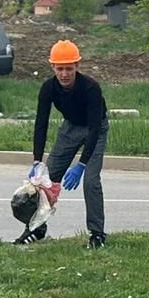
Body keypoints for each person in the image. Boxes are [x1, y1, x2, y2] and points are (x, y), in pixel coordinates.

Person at [18, 39, 109, 248]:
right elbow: (41, 123)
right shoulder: (48, 88)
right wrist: (37, 161)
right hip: (70, 128)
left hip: (96, 128)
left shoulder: (91, 88)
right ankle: (36, 229)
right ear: (53, 68)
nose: (65, 74)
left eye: (69, 68)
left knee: (91, 182)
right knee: (44, 180)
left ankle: (97, 234)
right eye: (60, 69)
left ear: (77, 66)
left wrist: (82, 165)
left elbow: (95, 128)